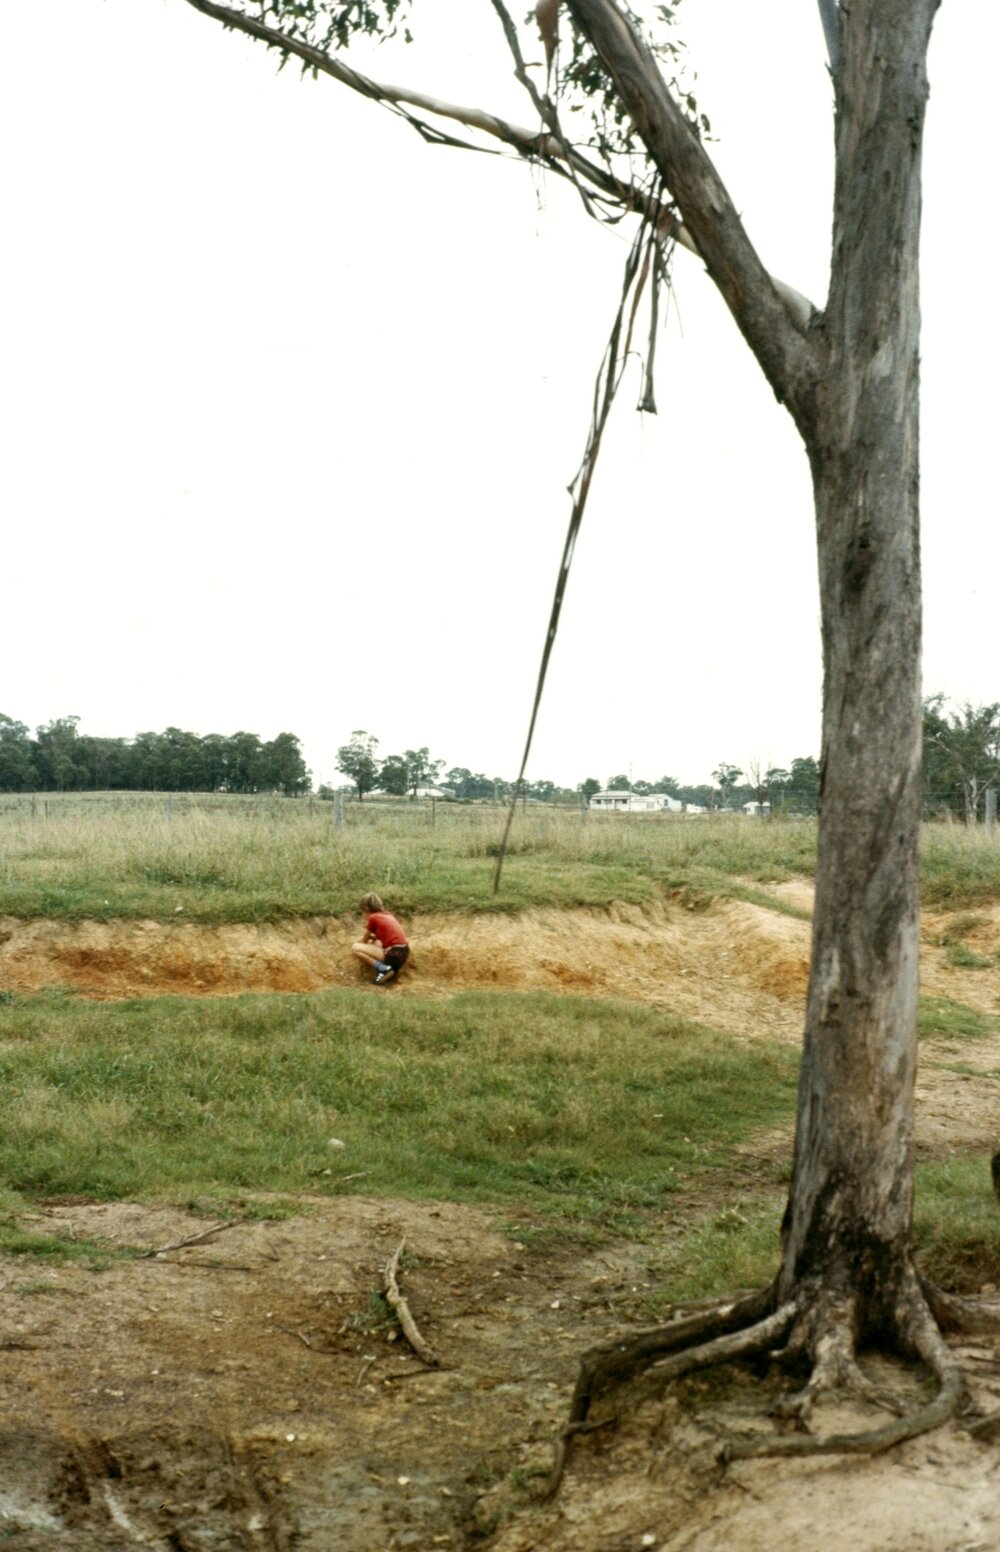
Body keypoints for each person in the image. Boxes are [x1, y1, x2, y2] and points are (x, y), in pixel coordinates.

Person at [351, 893, 410, 984]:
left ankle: (382, 968)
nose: (363, 915)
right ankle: (389, 970)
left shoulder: (372, 917)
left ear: (366, 909)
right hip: (403, 952)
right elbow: (383, 936)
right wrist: (372, 937)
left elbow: (364, 941)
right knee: (376, 943)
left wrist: (362, 940)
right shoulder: (387, 915)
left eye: (362, 912)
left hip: (393, 954)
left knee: (355, 948)